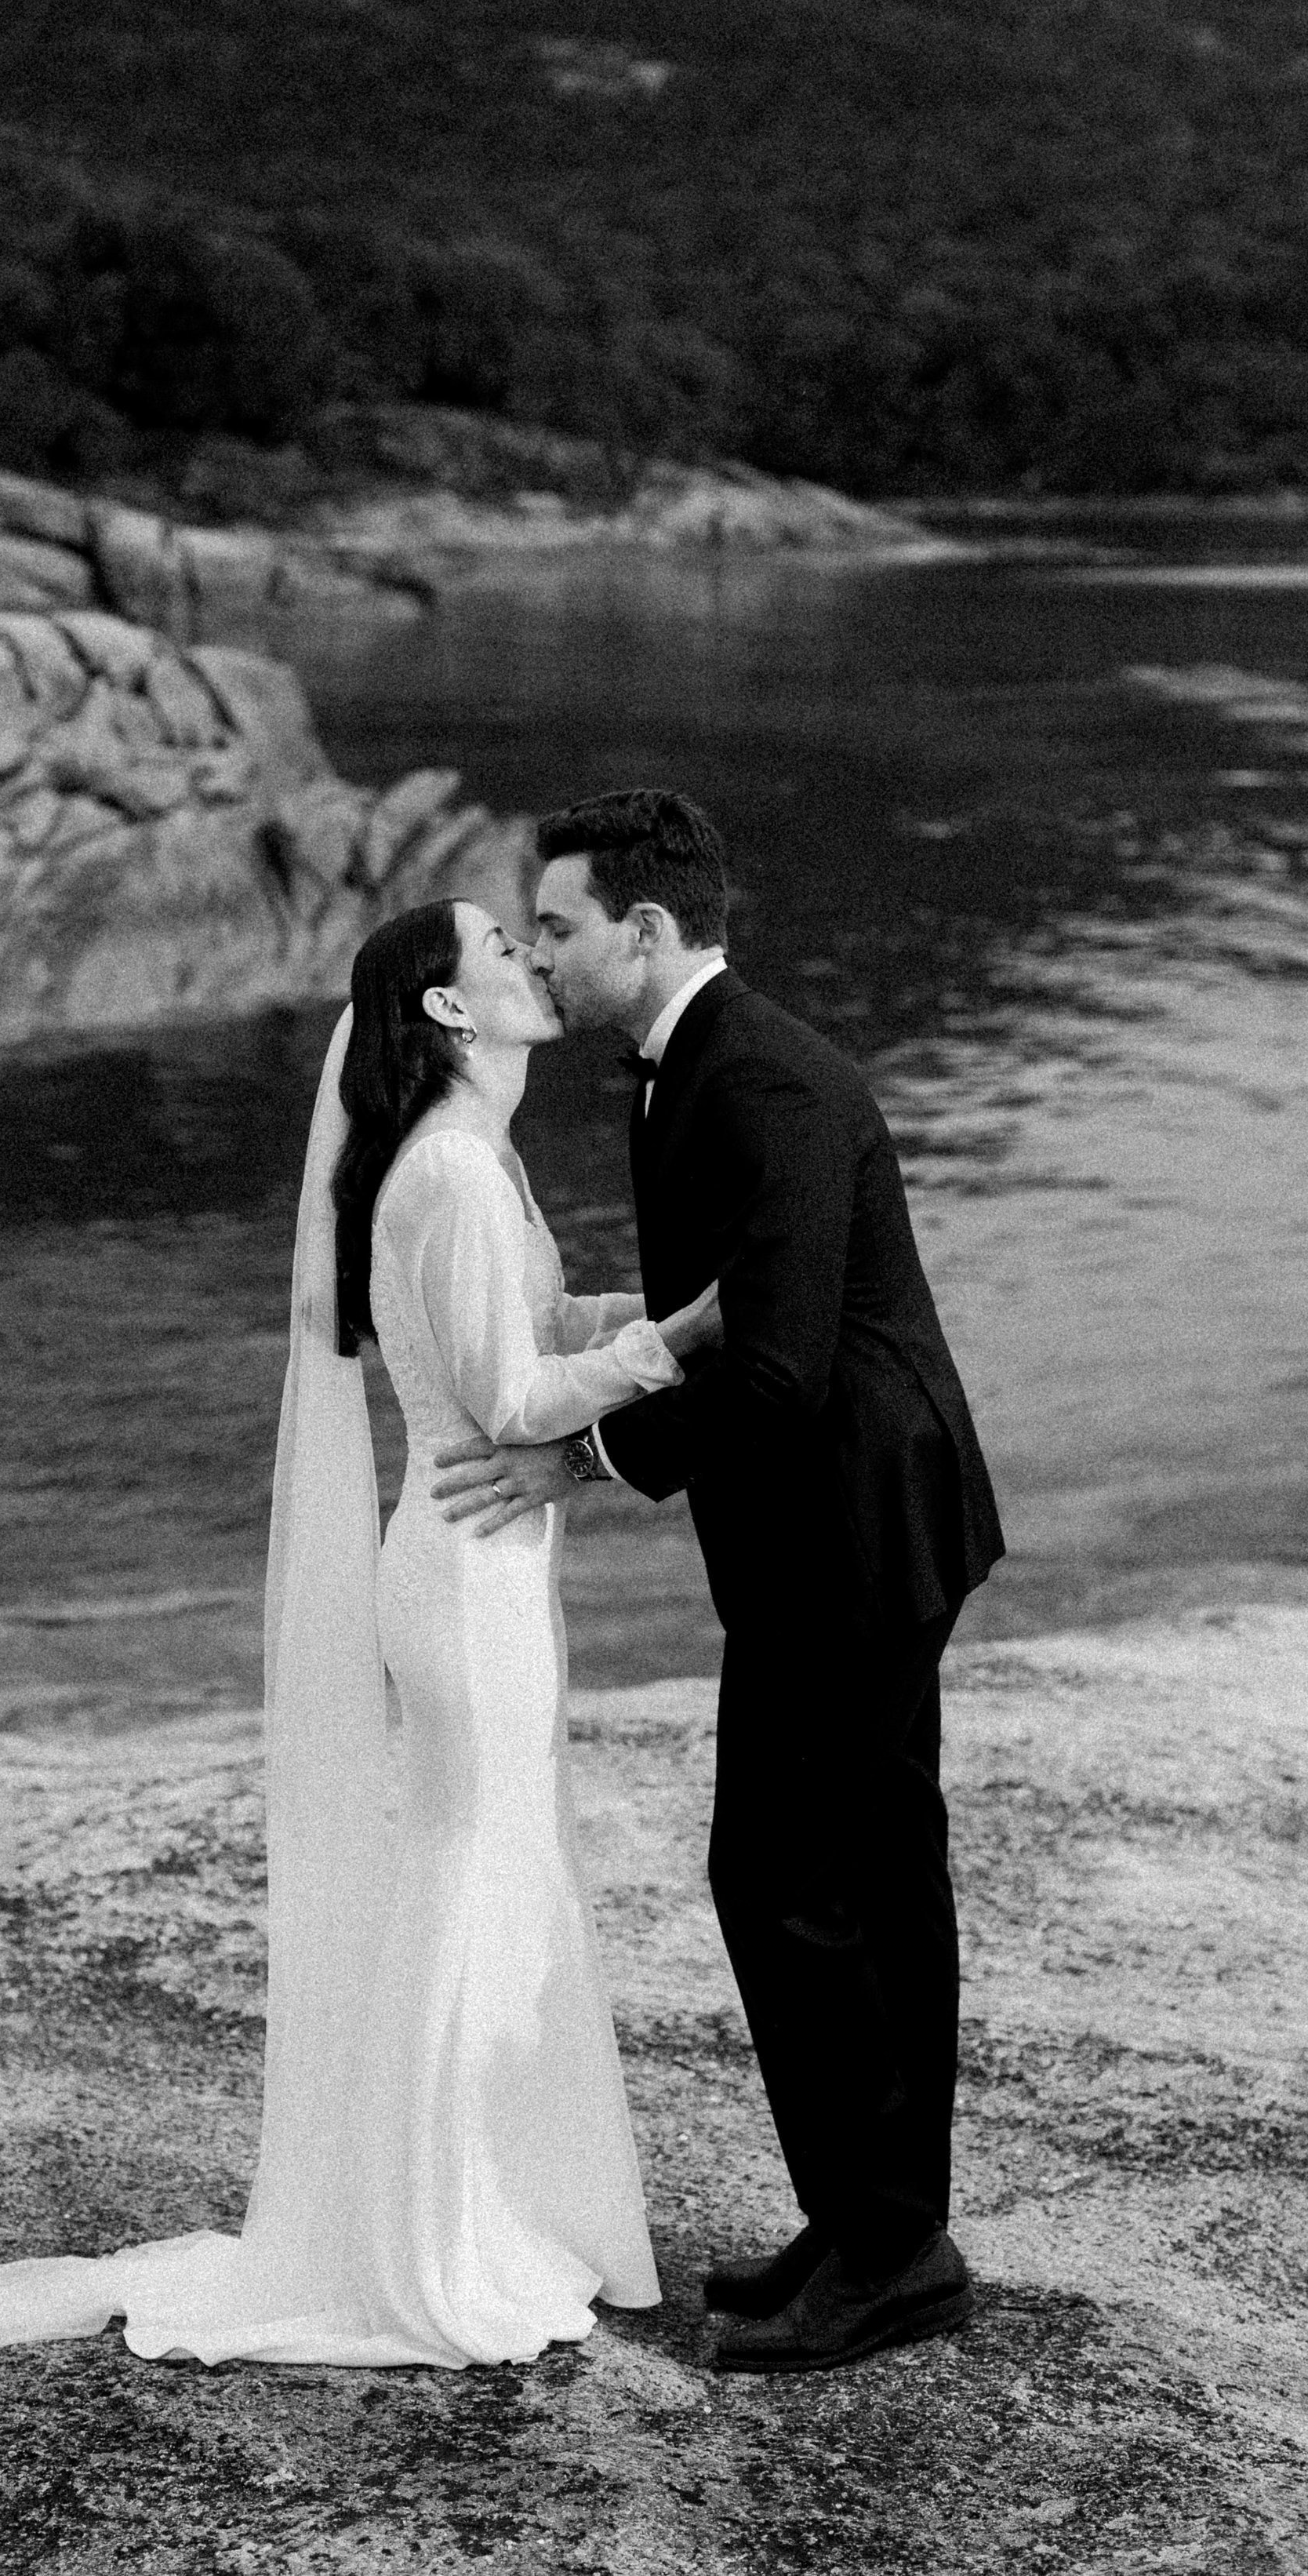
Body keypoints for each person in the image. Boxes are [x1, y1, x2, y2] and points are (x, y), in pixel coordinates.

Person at [0, 897, 718, 2370]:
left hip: (483, 1563)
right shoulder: (450, 1170)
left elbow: (531, 1327)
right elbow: (517, 1407)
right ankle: (426, 2240)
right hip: (462, 1572)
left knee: (503, 1862)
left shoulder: (473, 1163)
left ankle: (468, 2195)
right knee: (473, 1868)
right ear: (448, 1010)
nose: (533, 957)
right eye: (501, 949)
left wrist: (659, 1306)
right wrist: (689, 1341)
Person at [433, 790, 1005, 2374]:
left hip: (854, 1533)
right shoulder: (694, 1068)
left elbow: (774, 1376)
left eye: (554, 927)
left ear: (647, 931)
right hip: (840, 1528)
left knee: (789, 1882)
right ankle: (881, 2229)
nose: (539, 953)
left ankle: (884, 2249)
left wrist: (579, 1464)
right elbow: (717, 1311)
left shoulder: (757, 1080)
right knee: (871, 1875)